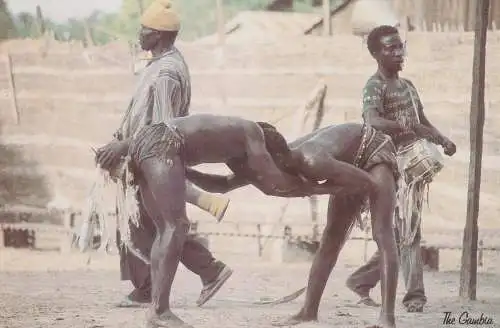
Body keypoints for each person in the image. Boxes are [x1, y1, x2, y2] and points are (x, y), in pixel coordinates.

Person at [96, 114, 361, 328]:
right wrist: (324, 187)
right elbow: (274, 182)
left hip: (151, 143)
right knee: (176, 227)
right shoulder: (253, 133)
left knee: (165, 228)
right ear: (272, 152)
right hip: (163, 145)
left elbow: (221, 185)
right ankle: (160, 311)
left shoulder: (237, 155)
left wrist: (183, 171)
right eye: (275, 159)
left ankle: (157, 308)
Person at [185, 120, 403, 328]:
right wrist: (183, 170)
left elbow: (369, 184)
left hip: (374, 152)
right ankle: (309, 311)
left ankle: (387, 317)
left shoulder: (312, 160)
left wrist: (320, 189)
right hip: (344, 164)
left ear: (274, 157)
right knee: (330, 239)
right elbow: (222, 185)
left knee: (382, 233)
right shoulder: (266, 162)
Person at [112, 0, 232, 309]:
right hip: (145, 155)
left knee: (151, 221)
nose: (139, 35)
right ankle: (202, 272)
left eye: (144, 30)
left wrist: (124, 146)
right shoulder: (160, 64)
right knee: (150, 221)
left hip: (154, 156)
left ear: (160, 35)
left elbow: (163, 127)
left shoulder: (166, 72)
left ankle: (194, 275)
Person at [345, 25, 456, 314]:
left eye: (399, 46)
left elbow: (423, 121)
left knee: (403, 231)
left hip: (412, 167)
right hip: (387, 167)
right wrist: (405, 127)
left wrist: (441, 139)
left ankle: (360, 280)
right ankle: (414, 296)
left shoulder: (407, 86)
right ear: (375, 54)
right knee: (408, 231)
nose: (398, 52)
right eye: (390, 48)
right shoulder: (374, 86)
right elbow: (372, 121)